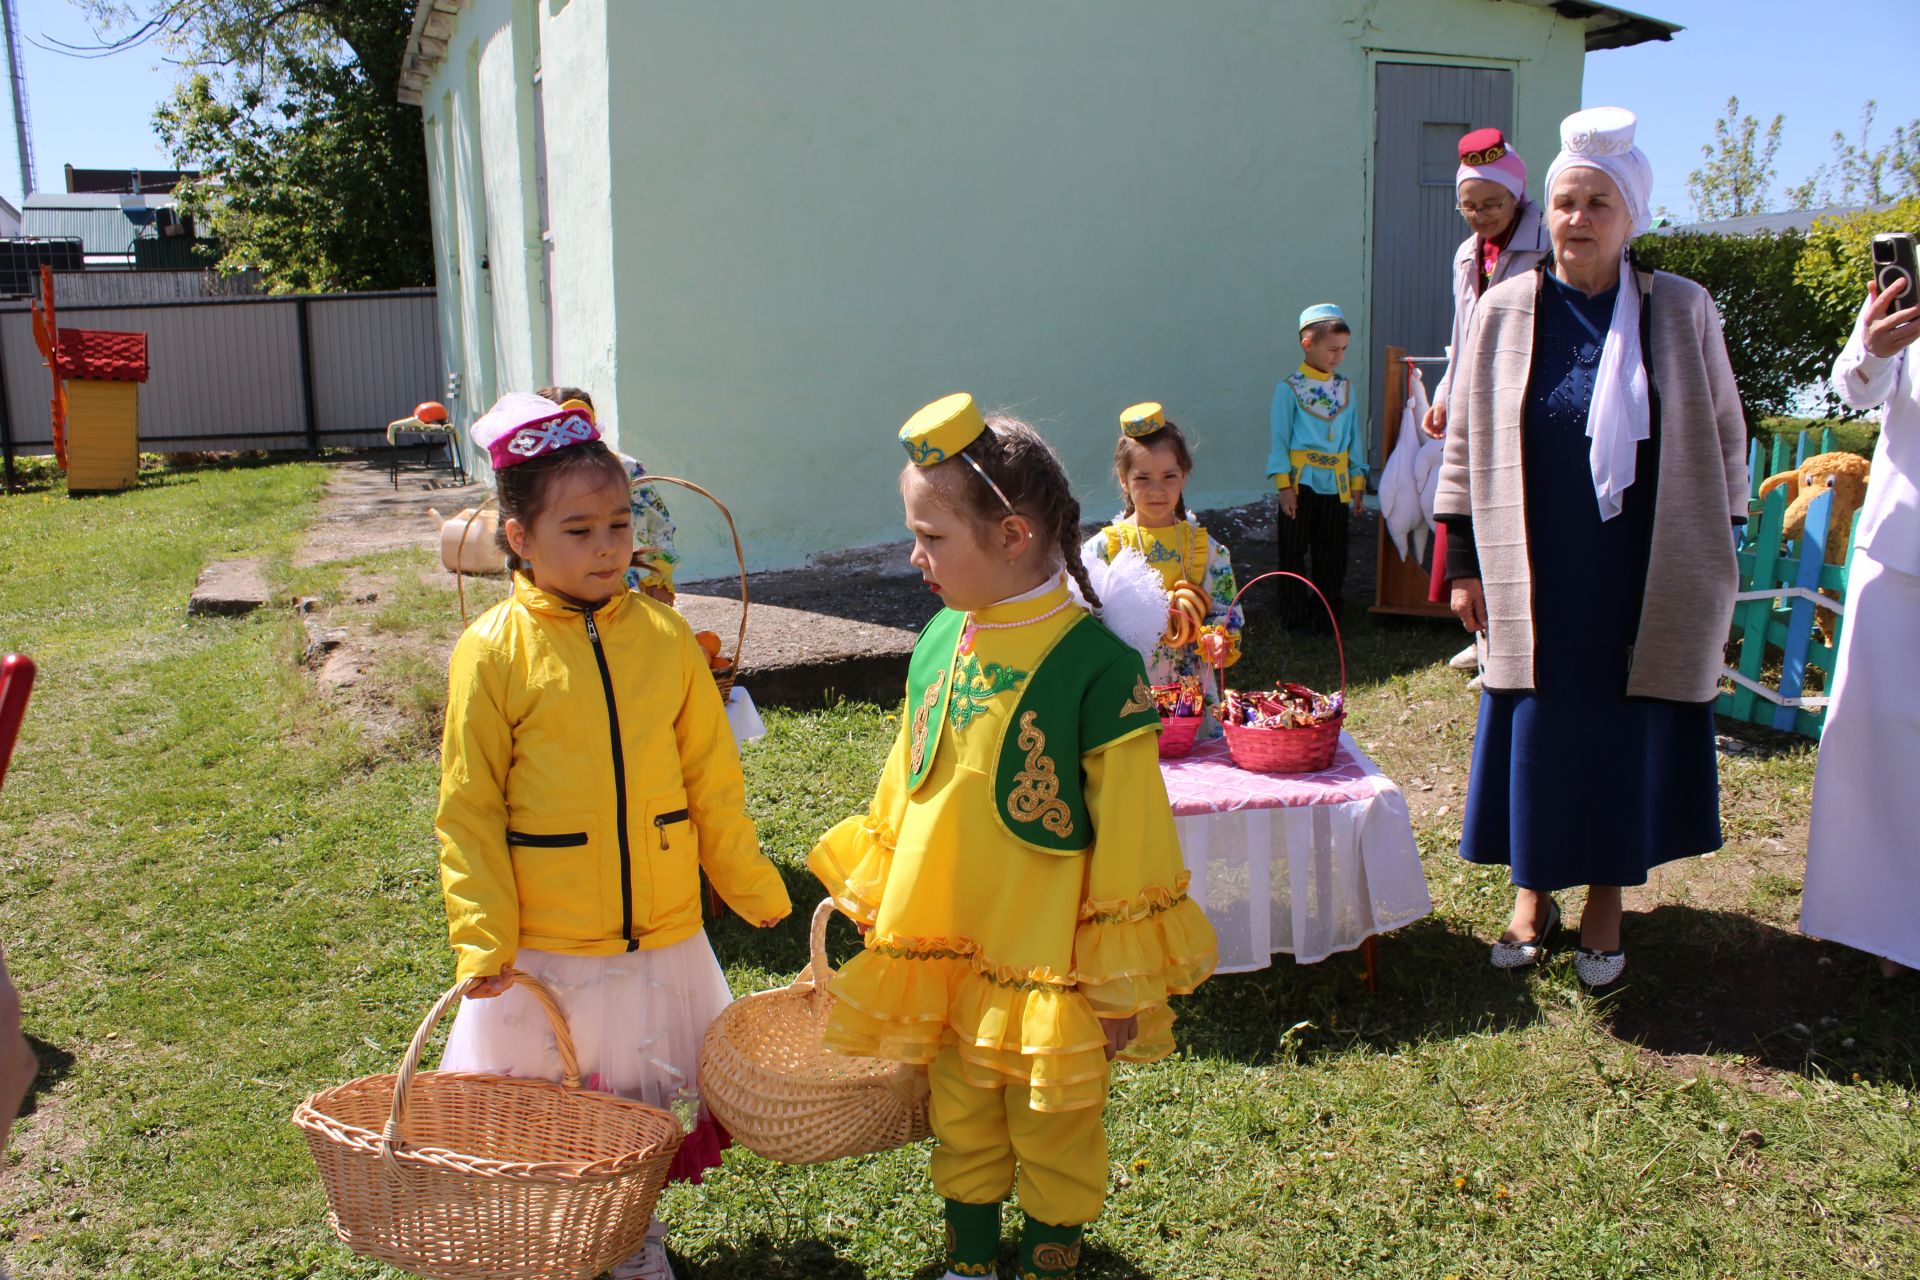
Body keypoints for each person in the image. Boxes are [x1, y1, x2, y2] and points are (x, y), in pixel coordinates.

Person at [809, 394, 1217, 1280]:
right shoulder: (937, 640)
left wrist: (1115, 989)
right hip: (949, 946)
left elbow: (1135, 838)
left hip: (1051, 962)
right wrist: (879, 895)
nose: (915, 557)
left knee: (1052, 1121)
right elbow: (907, 783)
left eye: (932, 536)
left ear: (1013, 534)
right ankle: (968, 1258)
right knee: (958, 1107)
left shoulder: (1094, 668)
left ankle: (1050, 1257)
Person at [434, 392, 792, 1280]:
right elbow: (469, 807)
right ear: (519, 538)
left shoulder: (666, 637)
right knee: (556, 1114)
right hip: (549, 944)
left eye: (620, 524)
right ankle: (559, 1244)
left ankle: (634, 1244)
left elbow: (712, 776)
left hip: (659, 935)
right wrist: (482, 936)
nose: (607, 547)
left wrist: (749, 885)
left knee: (634, 1115)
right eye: (579, 529)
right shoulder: (492, 653)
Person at [1433, 107, 1748, 987]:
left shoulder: (1679, 309)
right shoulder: (1504, 308)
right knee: (1537, 722)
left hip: (1642, 563)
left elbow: (1726, 434)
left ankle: (1607, 899)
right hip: (1532, 557)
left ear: (1630, 215)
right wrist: (1461, 560)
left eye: (1597, 203)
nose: (1577, 219)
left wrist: (1718, 553)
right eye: (1566, 201)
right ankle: (1532, 893)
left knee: (1618, 726)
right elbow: (1462, 439)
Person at [1799, 276, 1920, 978]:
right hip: (1903, 545)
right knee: (1874, 735)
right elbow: (1855, 385)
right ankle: (1887, 926)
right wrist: (1874, 349)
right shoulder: (1909, 274)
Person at [1422, 128, 1552, 663]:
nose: (1481, 214)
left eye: (1492, 203)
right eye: (1469, 206)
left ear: (1517, 195)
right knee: (1469, 510)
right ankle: (1485, 635)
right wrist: (1446, 391)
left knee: (1514, 516)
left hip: (1522, 392)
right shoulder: (1465, 255)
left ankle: (1513, 638)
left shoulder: (1545, 242)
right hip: (1474, 396)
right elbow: (1463, 330)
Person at [1083, 402, 1244, 736]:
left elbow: (1224, 610)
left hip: (1192, 693)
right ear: (1123, 480)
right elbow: (1084, 617)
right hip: (1127, 690)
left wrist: (1218, 637)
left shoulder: (1205, 550)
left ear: (1184, 476)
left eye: (1169, 476)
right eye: (1143, 478)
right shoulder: (1103, 551)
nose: (1157, 490)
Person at [1269, 305, 1368, 631]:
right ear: (1308, 344)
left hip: (1336, 484)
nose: (1338, 357)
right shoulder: (1289, 389)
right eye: (1332, 349)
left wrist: (1357, 481)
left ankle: (1327, 617)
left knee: (1333, 552)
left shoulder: (1346, 389)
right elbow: (1280, 440)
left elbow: (1354, 436)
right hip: (1301, 483)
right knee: (1294, 551)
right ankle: (1294, 616)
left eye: (1343, 350)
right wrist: (1284, 486)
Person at [535, 384, 679, 605]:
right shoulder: (533, 477)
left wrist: (658, 576)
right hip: (551, 595)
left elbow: (659, 526)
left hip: (614, 588)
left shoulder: (623, 469)